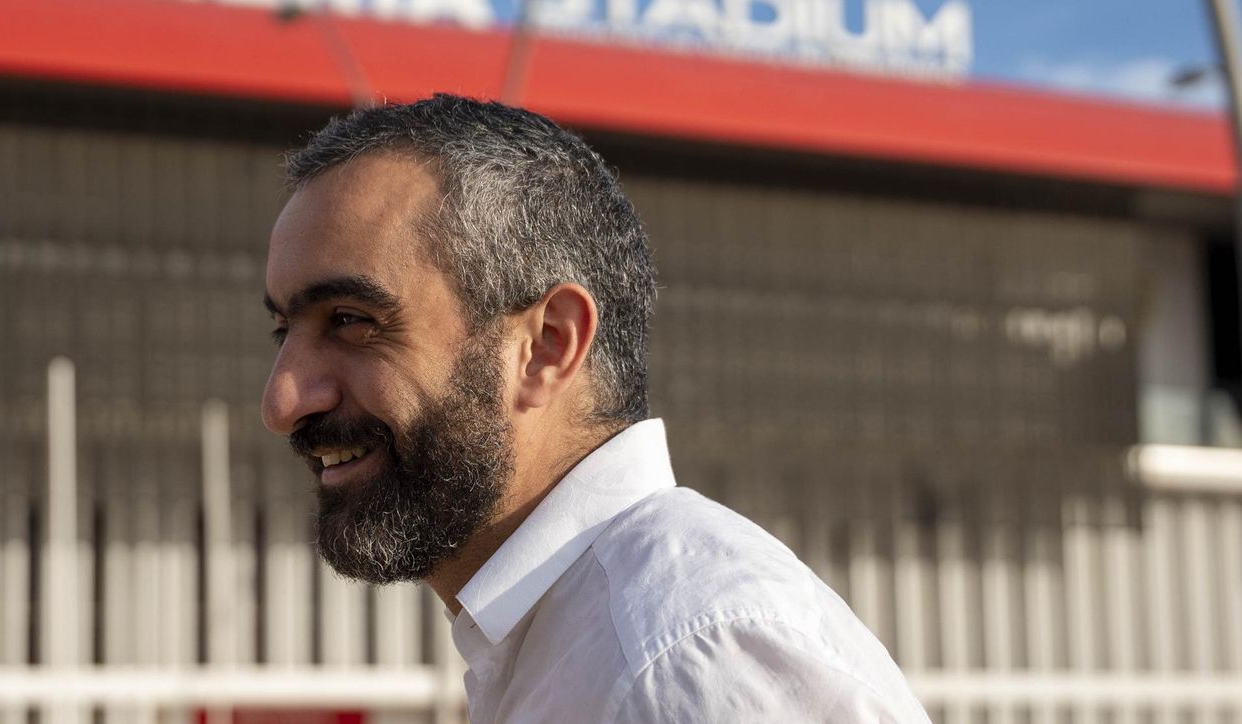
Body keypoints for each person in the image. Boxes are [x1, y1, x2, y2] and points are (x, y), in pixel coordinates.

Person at [261, 94, 930, 723]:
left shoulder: (683, 663)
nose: (282, 400)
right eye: (282, 332)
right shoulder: (581, 643)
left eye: (350, 320)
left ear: (547, 346)